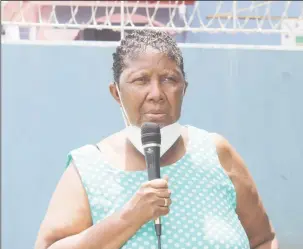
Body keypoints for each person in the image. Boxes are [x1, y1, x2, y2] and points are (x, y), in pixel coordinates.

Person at [34, 30, 279, 249]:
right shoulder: (88, 167)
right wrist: (130, 217)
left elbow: (263, 240)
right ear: (116, 93)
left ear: (184, 88)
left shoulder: (216, 153)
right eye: (140, 80)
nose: (156, 94)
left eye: (169, 79)